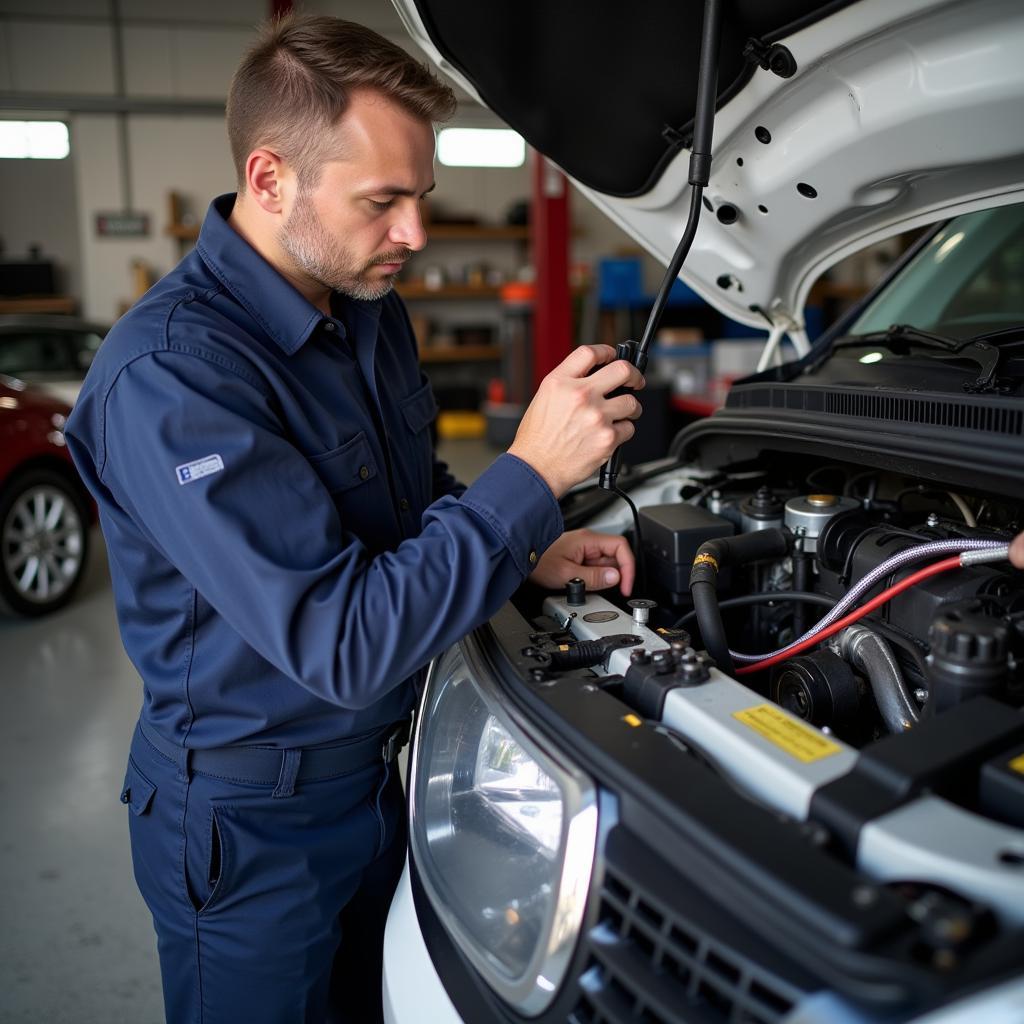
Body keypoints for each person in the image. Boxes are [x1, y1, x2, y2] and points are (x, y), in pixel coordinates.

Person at [64, 14, 643, 1024]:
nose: (415, 234)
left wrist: (527, 551)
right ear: (271, 178)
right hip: (250, 827)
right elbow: (344, 641)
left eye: (419, 197)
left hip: (383, 784)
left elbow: (408, 509)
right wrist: (531, 474)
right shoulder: (173, 379)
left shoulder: (366, 308)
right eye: (382, 202)